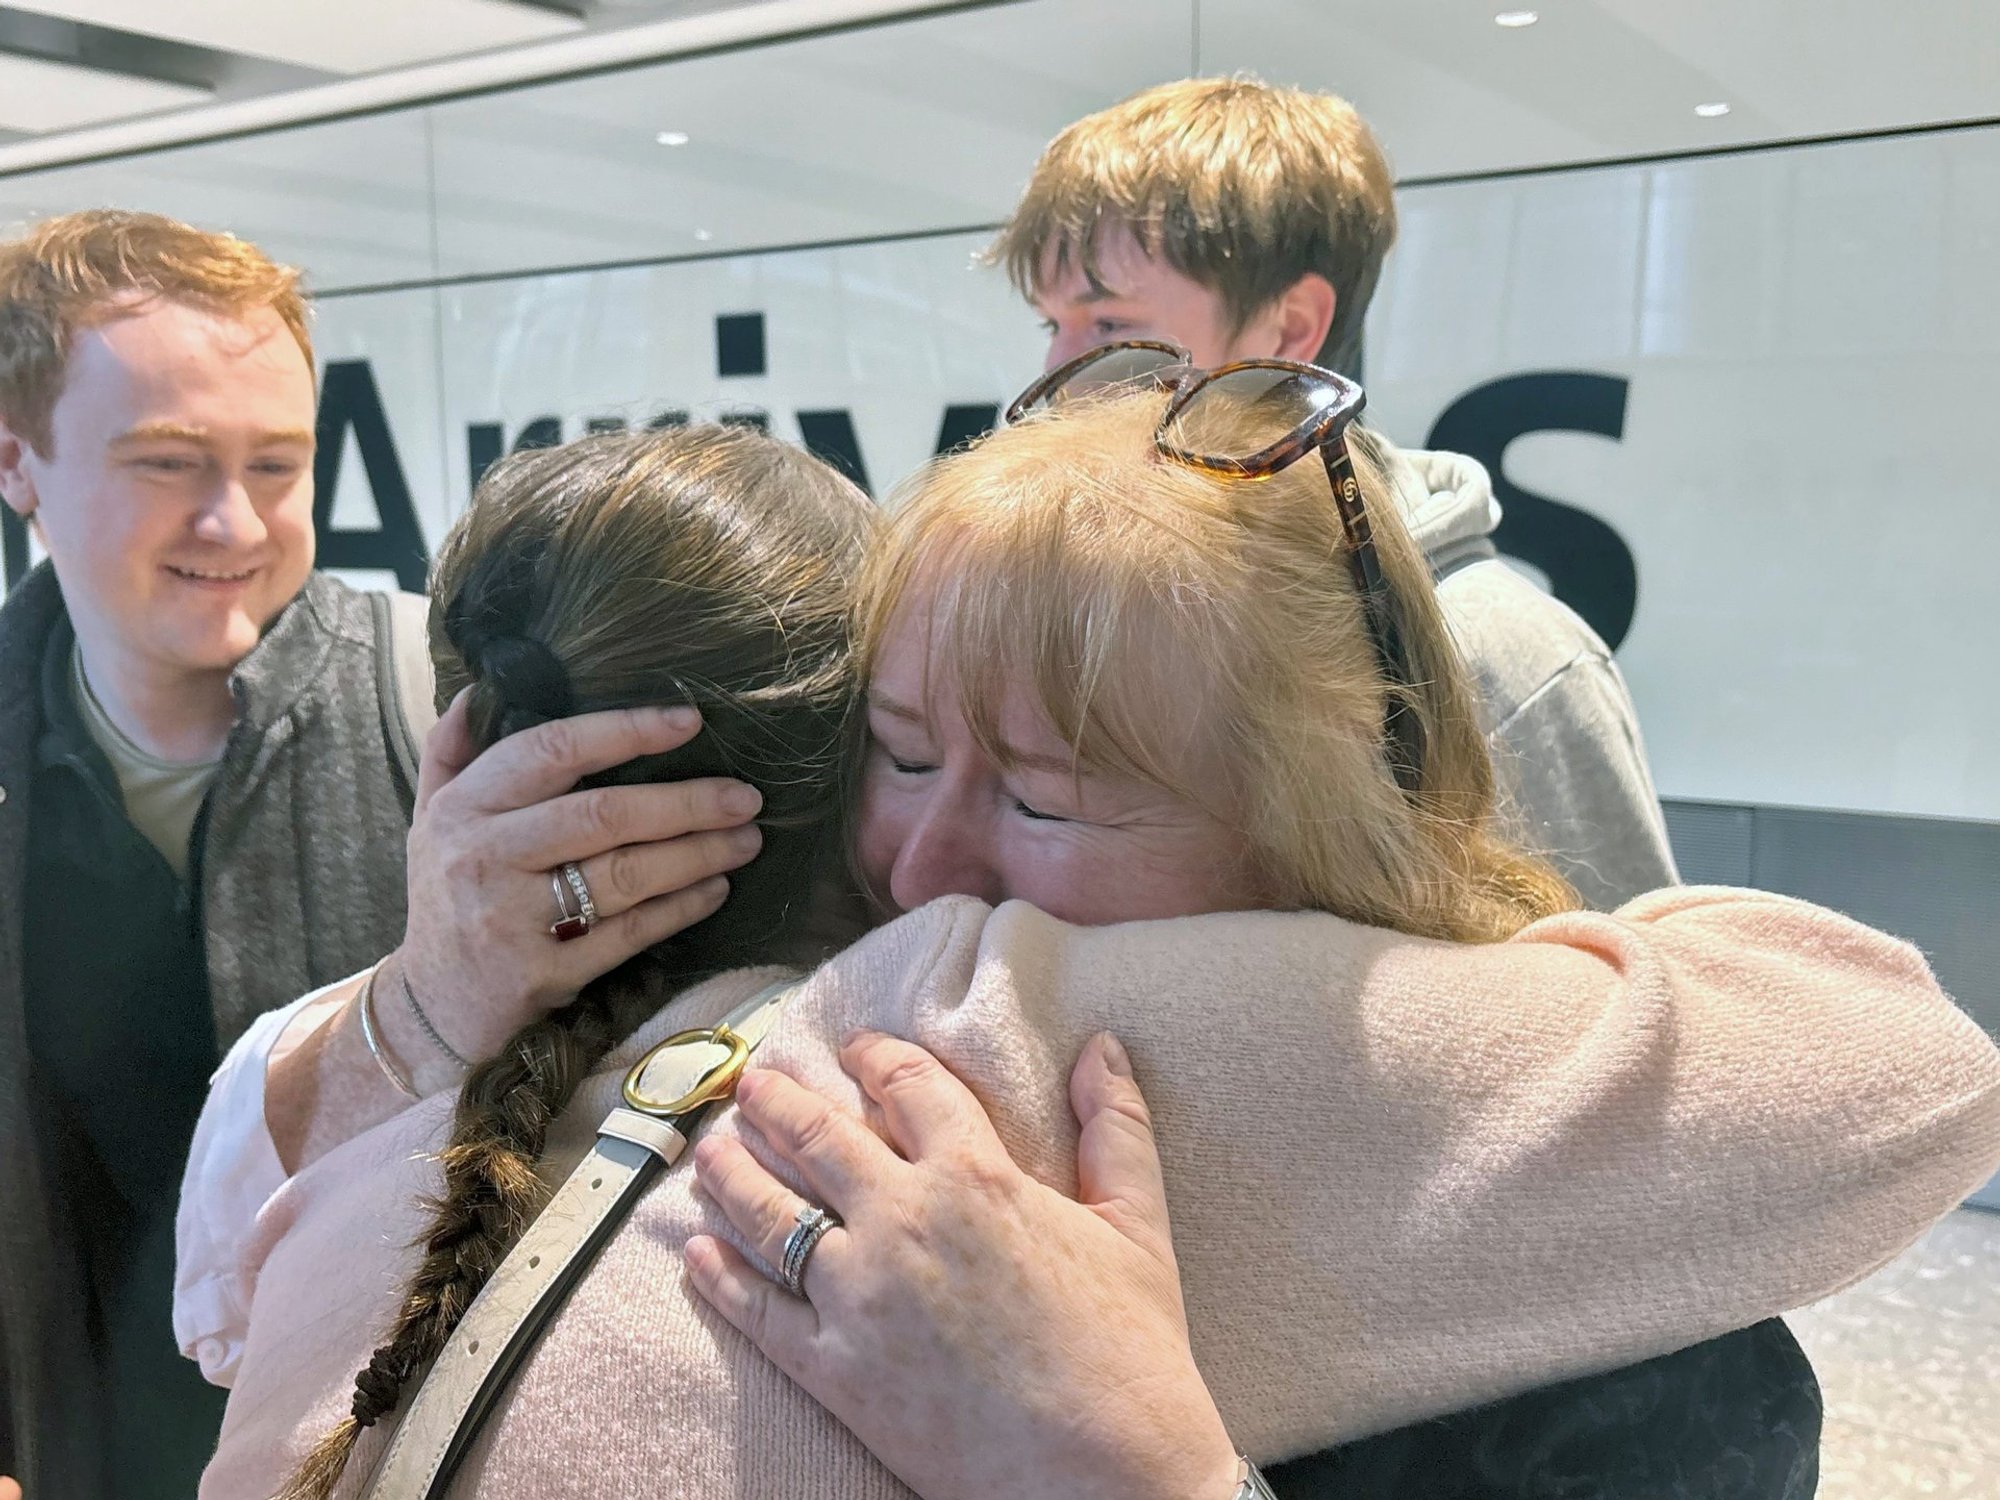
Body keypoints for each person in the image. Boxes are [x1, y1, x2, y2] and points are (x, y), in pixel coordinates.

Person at [190, 394, 2000, 1498]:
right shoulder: (943, 1010)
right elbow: (1900, 1055)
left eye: (1051, 793)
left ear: (1314, 826)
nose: (929, 858)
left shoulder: (810, 1021)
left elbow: (223, 1274)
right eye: (896, 756)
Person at [0, 210, 762, 1500]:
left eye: (279, 464)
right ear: (19, 465)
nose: (233, 520)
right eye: (167, 461)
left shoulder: (443, 710)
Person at [992, 77, 1678, 910]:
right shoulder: (1089, 598)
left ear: (1289, 329)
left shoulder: (1496, 650)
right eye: (1050, 326)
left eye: (1107, 325)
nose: (1057, 377)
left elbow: (1634, 993)